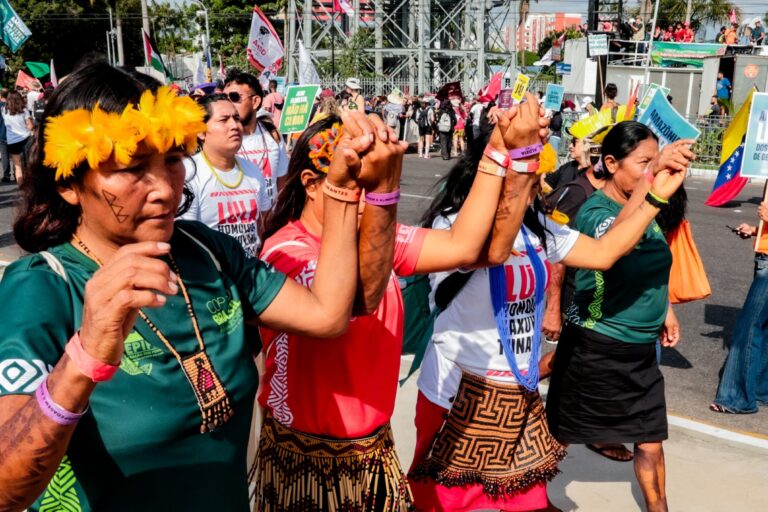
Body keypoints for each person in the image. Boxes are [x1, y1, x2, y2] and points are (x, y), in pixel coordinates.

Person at [0, 60, 387, 511]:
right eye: (132, 167)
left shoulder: (205, 251)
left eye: (171, 161)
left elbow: (328, 314)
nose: (164, 188)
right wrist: (83, 359)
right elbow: (7, 490)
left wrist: (341, 189)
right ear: (68, 183)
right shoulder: (43, 288)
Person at [252, 101, 549, 510]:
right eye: (358, 185)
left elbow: (474, 247)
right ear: (311, 183)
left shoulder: (373, 235)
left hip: (373, 452)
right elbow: (352, 300)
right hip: (305, 463)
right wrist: (384, 192)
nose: (366, 200)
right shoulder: (286, 251)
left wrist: (504, 150)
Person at [410, 118, 694, 512]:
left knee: (524, 501)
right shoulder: (456, 226)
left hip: (517, 396)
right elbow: (492, 249)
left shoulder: (538, 228)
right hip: (459, 395)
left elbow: (605, 252)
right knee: (447, 503)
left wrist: (653, 195)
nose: (541, 183)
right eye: (529, 172)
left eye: (537, 172)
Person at [547, 123, 696, 512]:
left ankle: (658, 507)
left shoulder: (651, 206)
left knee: (650, 441)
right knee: (559, 436)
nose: (653, 169)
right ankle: (522, 496)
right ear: (611, 163)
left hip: (640, 351)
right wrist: (653, 182)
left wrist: (666, 310)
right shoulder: (596, 210)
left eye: (655, 159)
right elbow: (613, 242)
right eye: (644, 162)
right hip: (596, 346)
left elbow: (653, 265)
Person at [180, 93, 270, 256]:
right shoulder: (188, 174)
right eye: (223, 120)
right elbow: (187, 241)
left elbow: (263, 226)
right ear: (201, 131)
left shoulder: (253, 171)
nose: (234, 126)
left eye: (236, 118)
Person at [710, 202, 768, 414]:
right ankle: (760, 390)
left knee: (748, 328)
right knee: (762, 328)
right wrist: (756, 230)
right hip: (764, 257)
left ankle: (736, 397)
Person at [222, 71, 289, 210]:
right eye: (224, 98)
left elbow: (282, 182)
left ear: (255, 101)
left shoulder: (273, 134)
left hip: (271, 223)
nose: (228, 103)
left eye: (234, 97)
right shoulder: (221, 140)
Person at [3, 90, 33, 184]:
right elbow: (30, 126)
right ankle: (31, 187)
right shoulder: (24, 110)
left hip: (12, 141)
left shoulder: (4, 110)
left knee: (18, 166)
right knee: (29, 164)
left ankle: (21, 189)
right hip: (26, 139)